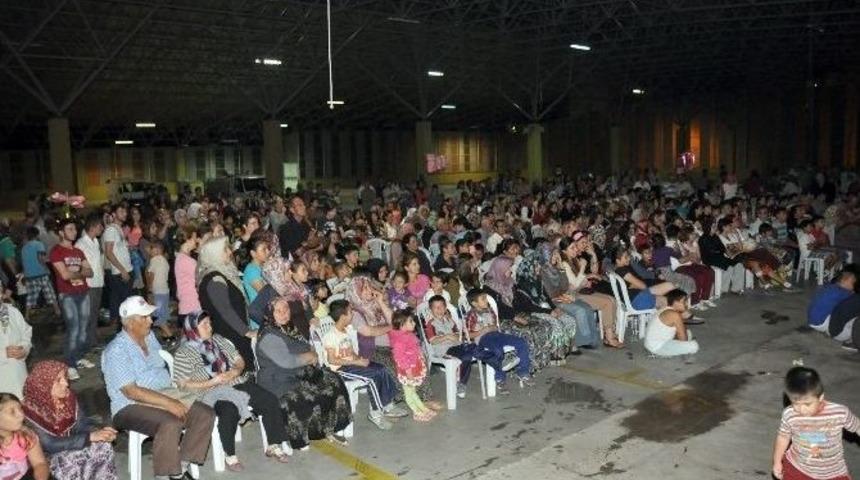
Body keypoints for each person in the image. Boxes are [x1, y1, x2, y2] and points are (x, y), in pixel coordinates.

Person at [101, 296, 215, 480]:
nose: (150, 320)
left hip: (162, 393)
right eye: (144, 317)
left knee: (205, 414)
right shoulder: (117, 350)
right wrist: (169, 403)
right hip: (129, 406)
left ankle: (179, 467)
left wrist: (172, 396)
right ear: (130, 323)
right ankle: (165, 475)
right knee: (170, 422)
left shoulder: (150, 336)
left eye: (149, 316)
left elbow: (160, 367)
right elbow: (131, 391)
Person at [172, 311, 290, 471]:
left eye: (209, 322)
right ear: (192, 329)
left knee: (268, 398)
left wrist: (235, 371)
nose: (210, 327)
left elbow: (238, 359)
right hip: (209, 392)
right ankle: (230, 454)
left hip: (234, 382)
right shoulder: (183, 353)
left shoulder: (219, 340)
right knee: (229, 409)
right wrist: (212, 381)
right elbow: (183, 384)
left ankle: (273, 443)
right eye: (204, 324)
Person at [255, 297, 352, 446]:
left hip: (297, 373)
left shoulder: (289, 328)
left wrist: (312, 352)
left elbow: (306, 345)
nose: (283, 314)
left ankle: (331, 427)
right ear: (270, 314)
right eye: (278, 311)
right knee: (304, 396)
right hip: (278, 380)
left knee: (333, 380)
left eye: (286, 309)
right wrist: (308, 357)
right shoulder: (269, 335)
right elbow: (287, 362)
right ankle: (305, 435)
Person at [21, 360, 118, 480]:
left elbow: (82, 426)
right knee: (68, 461)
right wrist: (89, 437)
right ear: (43, 384)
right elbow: (49, 445)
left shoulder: (67, 397)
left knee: (103, 446)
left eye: (65, 377)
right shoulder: (29, 410)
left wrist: (102, 433)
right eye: (58, 380)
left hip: (69, 445)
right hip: (44, 460)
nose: (66, 383)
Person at [323, 300, 406, 430]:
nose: (353, 314)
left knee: (381, 368)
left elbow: (350, 352)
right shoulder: (331, 335)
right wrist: (356, 362)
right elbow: (332, 360)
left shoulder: (345, 331)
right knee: (372, 377)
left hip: (351, 365)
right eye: (350, 312)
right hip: (339, 370)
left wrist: (360, 359)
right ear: (343, 316)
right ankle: (376, 413)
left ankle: (387, 405)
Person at [772, 366, 859, 480]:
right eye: (796, 404)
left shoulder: (839, 413)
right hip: (798, 468)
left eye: (807, 404)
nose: (802, 409)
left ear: (821, 397)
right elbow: (783, 437)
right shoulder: (790, 414)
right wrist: (777, 461)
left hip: (833, 472)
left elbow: (858, 427)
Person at [197, 236, 256, 366]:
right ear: (215, 254)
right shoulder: (215, 279)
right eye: (225, 249)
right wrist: (246, 332)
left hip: (235, 330)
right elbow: (225, 310)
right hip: (231, 334)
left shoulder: (219, 274)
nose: (230, 252)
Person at [463, 289, 533, 395]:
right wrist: (483, 330)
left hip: (497, 335)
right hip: (483, 339)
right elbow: (468, 335)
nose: (486, 301)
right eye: (483, 299)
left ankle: (523, 372)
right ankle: (500, 379)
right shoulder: (471, 315)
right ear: (474, 303)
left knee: (521, 342)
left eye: (486, 298)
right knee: (497, 350)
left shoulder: (490, 310)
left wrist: (493, 327)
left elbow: (496, 326)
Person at [49, 219, 93, 381]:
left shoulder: (78, 251)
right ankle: (69, 365)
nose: (74, 231)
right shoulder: (56, 252)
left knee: (83, 328)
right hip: (67, 294)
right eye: (70, 229)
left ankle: (78, 357)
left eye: (75, 229)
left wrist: (78, 272)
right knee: (73, 328)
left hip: (83, 292)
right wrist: (81, 270)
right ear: (61, 232)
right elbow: (65, 275)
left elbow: (91, 273)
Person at [388, 310, 436, 422]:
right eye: (411, 321)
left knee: (412, 391)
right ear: (401, 324)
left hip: (414, 366)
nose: (414, 323)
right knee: (409, 392)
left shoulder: (409, 335)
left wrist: (421, 359)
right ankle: (416, 411)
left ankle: (422, 408)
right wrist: (408, 371)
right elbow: (400, 358)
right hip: (407, 370)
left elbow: (416, 350)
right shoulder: (399, 340)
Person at [0, 393, 50, 480]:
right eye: (12, 412)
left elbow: (39, 463)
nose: (21, 415)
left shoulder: (26, 435)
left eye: (20, 409)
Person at [75, 214, 104, 349]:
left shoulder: (96, 241)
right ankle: (87, 342)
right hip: (88, 284)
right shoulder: (80, 244)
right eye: (100, 226)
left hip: (98, 282)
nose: (102, 228)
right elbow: (77, 267)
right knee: (88, 315)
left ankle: (92, 340)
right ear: (93, 227)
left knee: (94, 313)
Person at [643, 289, 699, 357]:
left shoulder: (665, 309)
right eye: (684, 301)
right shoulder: (674, 315)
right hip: (657, 346)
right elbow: (683, 340)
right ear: (675, 302)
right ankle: (659, 353)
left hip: (652, 343)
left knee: (688, 332)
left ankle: (670, 350)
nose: (686, 304)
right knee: (694, 346)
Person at [21, 226, 60, 319]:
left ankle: (26, 316)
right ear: (36, 235)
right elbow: (40, 258)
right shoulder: (39, 244)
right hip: (41, 273)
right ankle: (57, 311)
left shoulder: (24, 247)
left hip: (29, 275)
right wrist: (47, 268)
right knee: (49, 292)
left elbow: (23, 261)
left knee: (31, 296)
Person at [103, 204, 133, 325]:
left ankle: (123, 333)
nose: (125, 213)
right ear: (113, 215)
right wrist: (122, 270)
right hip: (120, 272)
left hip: (125, 270)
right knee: (124, 307)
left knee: (124, 305)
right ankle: (123, 334)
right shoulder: (111, 230)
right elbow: (108, 253)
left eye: (125, 211)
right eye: (121, 211)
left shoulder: (118, 229)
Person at [807, 269, 856, 334]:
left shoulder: (830, 287)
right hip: (820, 323)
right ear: (844, 281)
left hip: (811, 320)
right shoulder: (841, 292)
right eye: (852, 282)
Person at [0, 301, 32, 398]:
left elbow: (26, 333)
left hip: (19, 375)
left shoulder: (12, 311)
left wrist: (23, 349)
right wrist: (4, 354)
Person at [146, 241, 175, 341]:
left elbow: (151, 276)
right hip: (164, 291)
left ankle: (171, 336)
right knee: (163, 314)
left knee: (157, 315)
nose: (149, 251)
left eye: (151, 248)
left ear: (158, 250)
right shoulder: (164, 260)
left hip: (157, 291)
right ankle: (165, 336)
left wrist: (149, 290)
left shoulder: (154, 259)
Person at [174, 225, 201, 328]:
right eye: (194, 237)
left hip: (186, 303)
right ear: (187, 239)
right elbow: (199, 279)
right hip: (192, 304)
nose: (197, 240)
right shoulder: (188, 261)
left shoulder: (180, 257)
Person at [242, 234, 270, 305]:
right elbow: (266, 295)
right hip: (263, 309)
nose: (268, 252)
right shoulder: (251, 271)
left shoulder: (263, 265)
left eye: (267, 248)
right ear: (253, 253)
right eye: (264, 250)